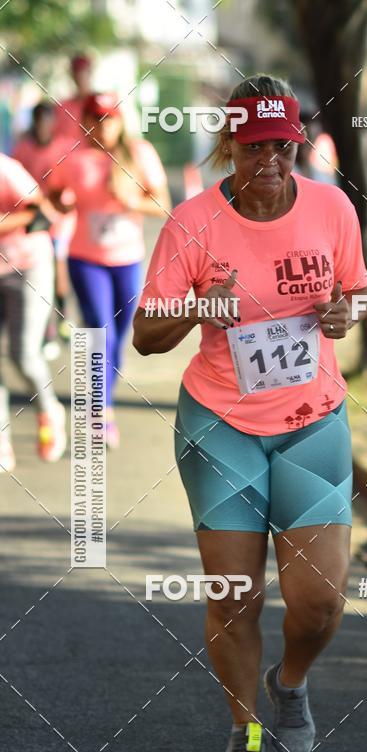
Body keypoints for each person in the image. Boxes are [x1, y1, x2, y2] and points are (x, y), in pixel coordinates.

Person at [132, 74, 367, 752]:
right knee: (235, 596)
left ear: (298, 145)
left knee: (320, 601)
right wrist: (201, 309)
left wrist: (342, 313)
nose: (270, 160)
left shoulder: (332, 209)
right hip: (222, 425)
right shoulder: (192, 223)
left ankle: (289, 682)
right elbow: (146, 335)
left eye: (283, 146)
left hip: (312, 421)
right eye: (255, 145)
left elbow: (353, 290)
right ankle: (245, 727)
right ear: (229, 145)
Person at [48, 92, 171, 448]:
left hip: (127, 259)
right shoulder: (74, 157)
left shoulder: (139, 153)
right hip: (85, 259)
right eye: (95, 118)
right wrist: (65, 203)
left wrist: (130, 200)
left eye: (109, 118)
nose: (102, 126)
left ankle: (104, 398)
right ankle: (101, 411)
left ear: (120, 120)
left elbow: (163, 203)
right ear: (84, 121)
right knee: (100, 330)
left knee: (119, 335)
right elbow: (53, 192)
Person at [0, 153, 66, 471]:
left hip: (27, 264)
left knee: (22, 354)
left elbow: (39, 211)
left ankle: (49, 410)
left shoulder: (6, 170)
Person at [13, 101, 76, 351]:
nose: (43, 126)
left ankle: (63, 318)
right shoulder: (22, 150)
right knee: (39, 273)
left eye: (47, 121)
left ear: (53, 122)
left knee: (58, 268)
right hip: (35, 221)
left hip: (60, 221)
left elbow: (69, 192)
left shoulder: (64, 149)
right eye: (38, 121)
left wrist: (59, 202)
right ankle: (47, 329)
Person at [54, 54, 93, 143]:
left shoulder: (100, 105)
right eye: (77, 74)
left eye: (84, 73)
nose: (80, 78)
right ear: (73, 76)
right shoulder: (62, 107)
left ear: (90, 74)